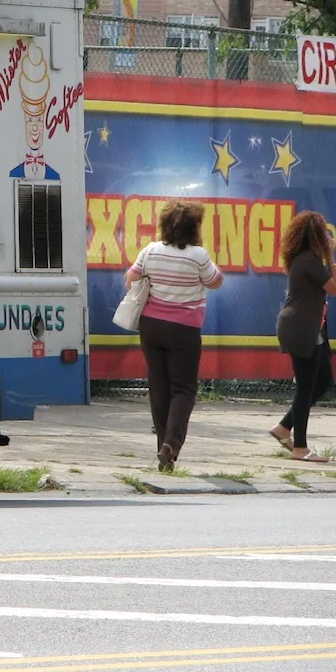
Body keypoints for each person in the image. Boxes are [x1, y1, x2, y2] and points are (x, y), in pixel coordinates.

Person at [124, 200, 223, 472]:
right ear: (194, 228)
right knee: (184, 389)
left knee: (159, 386)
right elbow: (215, 281)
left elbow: (130, 279)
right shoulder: (198, 255)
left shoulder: (150, 250)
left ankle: (162, 449)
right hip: (184, 329)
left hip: (151, 325)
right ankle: (171, 445)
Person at [270, 213, 336, 462]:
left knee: (324, 381)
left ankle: (283, 428)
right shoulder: (309, 260)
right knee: (305, 388)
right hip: (301, 329)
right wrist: (331, 256)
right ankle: (300, 447)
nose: (327, 238)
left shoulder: (308, 259)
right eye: (323, 233)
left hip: (312, 329)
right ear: (316, 236)